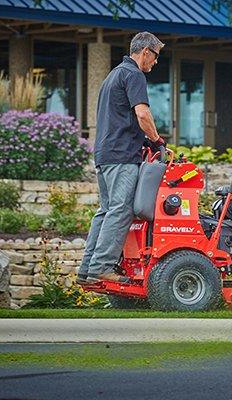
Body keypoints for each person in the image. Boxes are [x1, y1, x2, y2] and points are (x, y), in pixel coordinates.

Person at [77, 32, 165, 284]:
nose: (155, 62)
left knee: (106, 211)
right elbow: (142, 115)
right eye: (155, 56)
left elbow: (120, 116)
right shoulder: (134, 74)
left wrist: (146, 140)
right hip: (122, 155)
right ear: (145, 51)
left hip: (104, 154)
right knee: (121, 210)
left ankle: (87, 270)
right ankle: (101, 268)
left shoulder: (113, 75)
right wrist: (157, 140)